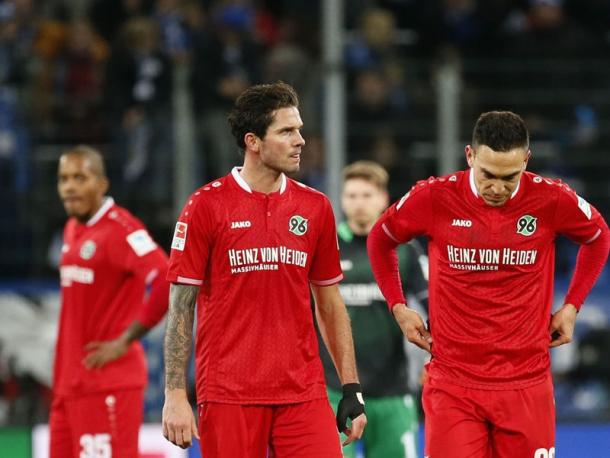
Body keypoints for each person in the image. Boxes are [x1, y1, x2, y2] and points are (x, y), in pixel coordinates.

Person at [367, 111, 610, 458]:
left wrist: (572, 305)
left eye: (510, 177)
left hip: (526, 383)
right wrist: (398, 305)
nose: (497, 188)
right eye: (487, 175)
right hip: (453, 383)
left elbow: (599, 237)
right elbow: (380, 239)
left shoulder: (551, 199)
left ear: (526, 160)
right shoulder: (435, 197)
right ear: (470, 156)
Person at [162, 81, 367, 457]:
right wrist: (175, 393)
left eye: (300, 129)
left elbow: (330, 304)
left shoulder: (315, 207)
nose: (300, 140)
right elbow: (181, 306)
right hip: (228, 394)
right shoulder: (206, 206)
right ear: (253, 142)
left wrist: (351, 386)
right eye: (287, 131)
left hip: (302, 391)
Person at [51, 145, 170, 458]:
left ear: (102, 184)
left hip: (107, 384)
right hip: (69, 385)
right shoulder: (73, 229)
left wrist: (125, 340)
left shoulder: (121, 229)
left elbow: (166, 279)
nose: (70, 187)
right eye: (64, 179)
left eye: (80, 177)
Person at [320, 160, 428, 458]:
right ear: (341, 199)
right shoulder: (325, 247)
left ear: (383, 198)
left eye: (366, 196)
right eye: (351, 196)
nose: (358, 204)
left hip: (391, 390)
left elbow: (435, 304)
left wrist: (438, 354)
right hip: (334, 391)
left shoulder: (404, 250)